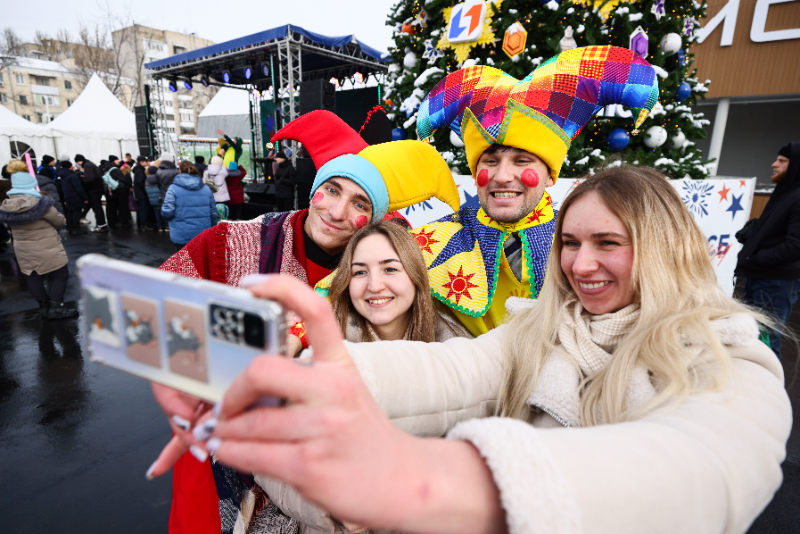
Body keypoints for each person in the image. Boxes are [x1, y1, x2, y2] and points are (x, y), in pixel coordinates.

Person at [150, 165, 792, 534]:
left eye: (608, 243)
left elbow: (711, 463)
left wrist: (445, 484)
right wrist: (301, 374)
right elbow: (452, 370)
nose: (581, 264)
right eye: (569, 243)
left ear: (663, 244)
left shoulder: (724, 350)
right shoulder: (545, 325)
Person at [157, 109, 460, 534]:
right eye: (331, 190)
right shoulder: (233, 240)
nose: (337, 211)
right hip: (218, 453)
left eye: (359, 203)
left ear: (373, 218)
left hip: (314, 479)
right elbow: (157, 307)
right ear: (315, 188)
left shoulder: (374, 274)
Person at [411, 45, 659, 336]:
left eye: (522, 161)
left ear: (550, 175)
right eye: (490, 161)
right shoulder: (428, 243)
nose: (502, 177)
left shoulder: (582, 244)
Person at [328, 220, 471, 343]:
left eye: (390, 269)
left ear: (416, 276)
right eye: (360, 272)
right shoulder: (320, 346)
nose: (374, 286)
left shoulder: (459, 350)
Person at [736, 142, 800, 360]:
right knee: (750, 338)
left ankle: (769, 391)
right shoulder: (786, 191)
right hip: (762, 276)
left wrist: (757, 257)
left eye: (782, 161)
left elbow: (796, 246)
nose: (774, 164)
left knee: (766, 344)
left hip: (776, 282)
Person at [0, 161, 77, 319]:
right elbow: (60, 222)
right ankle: (56, 308)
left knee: (33, 276)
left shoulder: (6, 206)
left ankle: (43, 308)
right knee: (60, 274)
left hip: (23, 249)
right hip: (47, 246)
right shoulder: (41, 204)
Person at [160, 161, 217, 251]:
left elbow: (167, 212)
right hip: (203, 233)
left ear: (180, 171)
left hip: (181, 233)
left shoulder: (173, 188)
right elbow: (213, 212)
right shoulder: (206, 189)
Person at [75, 154, 108, 233]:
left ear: (80, 161)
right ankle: (102, 225)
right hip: (98, 189)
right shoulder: (90, 164)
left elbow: (90, 178)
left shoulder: (87, 165)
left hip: (94, 190)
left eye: (77, 162)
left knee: (96, 208)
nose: (78, 164)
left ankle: (101, 225)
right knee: (98, 207)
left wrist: (83, 180)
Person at [59, 161, 88, 235]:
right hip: (75, 196)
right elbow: (79, 188)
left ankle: (70, 227)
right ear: (69, 167)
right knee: (76, 213)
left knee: (70, 212)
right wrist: (85, 197)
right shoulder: (72, 176)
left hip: (67, 196)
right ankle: (76, 228)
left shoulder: (63, 175)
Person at [104, 156, 132, 228]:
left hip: (110, 189)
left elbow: (122, 165)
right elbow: (124, 178)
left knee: (111, 206)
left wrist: (124, 161)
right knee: (122, 205)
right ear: (113, 161)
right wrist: (129, 184)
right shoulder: (114, 169)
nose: (118, 161)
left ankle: (112, 222)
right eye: (116, 159)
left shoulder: (107, 167)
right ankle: (121, 221)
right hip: (119, 189)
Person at [132, 155, 154, 231]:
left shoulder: (138, 170)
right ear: (141, 162)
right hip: (142, 193)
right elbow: (140, 182)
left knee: (142, 208)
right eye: (145, 161)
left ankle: (143, 224)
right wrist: (145, 188)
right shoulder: (140, 171)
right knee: (144, 209)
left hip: (139, 193)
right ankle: (144, 224)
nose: (147, 162)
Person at [145, 165, 166, 232]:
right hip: (160, 198)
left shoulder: (146, 179)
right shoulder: (158, 178)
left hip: (152, 200)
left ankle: (160, 226)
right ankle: (166, 226)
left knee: (157, 212)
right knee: (164, 212)